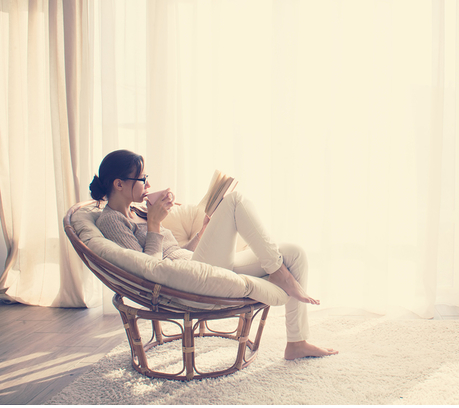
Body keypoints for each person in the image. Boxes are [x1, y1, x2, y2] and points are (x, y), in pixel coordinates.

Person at [89, 149, 337, 360]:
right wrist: (154, 226)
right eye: (142, 178)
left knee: (294, 253)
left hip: (196, 268)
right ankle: (278, 272)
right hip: (187, 283)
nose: (148, 185)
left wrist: (204, 232)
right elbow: (148, 271)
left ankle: (296, 342)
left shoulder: (139, 212)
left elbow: (176, 254)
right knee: (235, 200)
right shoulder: (112, 221)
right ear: (118, 184)